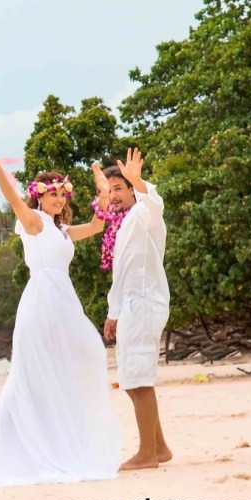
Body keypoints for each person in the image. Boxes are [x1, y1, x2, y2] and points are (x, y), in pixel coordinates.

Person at [0, 152, 122, 487]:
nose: (58, 199)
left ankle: (59, 440)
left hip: (63, 303)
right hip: (42, 303)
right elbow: (14, 200)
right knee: (34, 376)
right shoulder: (35, 223)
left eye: (61, 194)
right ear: (39, 196)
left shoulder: (63, 230)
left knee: (79, 361)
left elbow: (97, 225)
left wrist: (102, 191)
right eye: (52, 194)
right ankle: (19, 447)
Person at [96, 148, 172, 471]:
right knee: (132, 376)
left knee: (137, 380)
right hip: (130, 306)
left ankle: (147, 454)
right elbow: (122, 274)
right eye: (109, 190)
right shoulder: (123, 223)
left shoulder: (143, 214)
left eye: (119, 188)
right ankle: (159, 447)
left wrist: (139, 181)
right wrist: (113, 312)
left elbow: (154, 205)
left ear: (131, 190)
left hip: (144, 304)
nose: (113, 195)